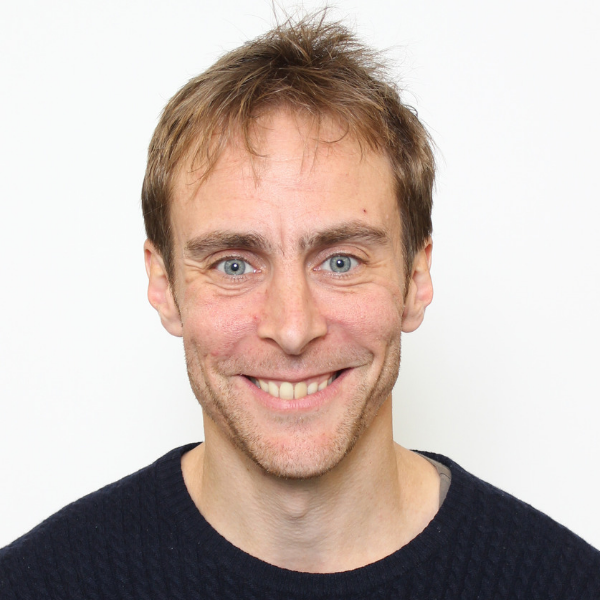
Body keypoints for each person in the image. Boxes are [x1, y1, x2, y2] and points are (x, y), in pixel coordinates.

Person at [1, 13, 599, 599]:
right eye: (234, 265)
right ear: (164, 285)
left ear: (416, 278)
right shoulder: (34, 585)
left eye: (340, 262)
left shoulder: (568, 584)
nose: (292, 328)